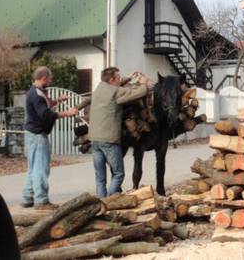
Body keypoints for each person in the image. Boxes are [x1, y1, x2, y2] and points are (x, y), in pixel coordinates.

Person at [89, 67, 156, 198]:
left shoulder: (99, 89)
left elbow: (116, 85)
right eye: (119, 78)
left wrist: (129, 78)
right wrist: (143, 83)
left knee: (100, 177)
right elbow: (136, 93)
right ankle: (108, 201)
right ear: (112, 79)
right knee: (119, 174)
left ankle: (100, 204)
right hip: (108, 140)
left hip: (94, 140)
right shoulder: (116, 92)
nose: (120, 79)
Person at [21, 66, 78, 209]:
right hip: (38, 136)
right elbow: (45, 114)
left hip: (33, 135)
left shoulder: (38, 92)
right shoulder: (37, 94)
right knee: (41, 168)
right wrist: (66, 113)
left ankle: (27, 198)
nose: (51, 81)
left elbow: (46, 106)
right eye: (50, 78)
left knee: (33, 168)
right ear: (44, 78)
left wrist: (58, 100)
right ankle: (41, 201)